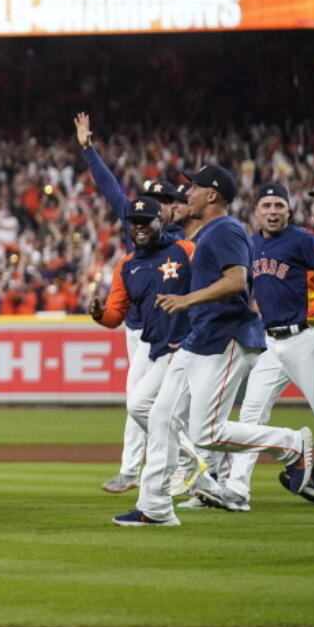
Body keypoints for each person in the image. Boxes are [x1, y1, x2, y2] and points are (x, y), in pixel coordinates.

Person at [113, 165, 313, 527]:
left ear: (212, 195)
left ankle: (291, 444)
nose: (186, 192)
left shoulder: (226, 229)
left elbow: (237, 281)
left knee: (207, 432)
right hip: (198, 339)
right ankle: (156, 508)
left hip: (227, 339)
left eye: (193, 187)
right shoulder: (205, 231)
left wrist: (187, 301)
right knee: (158, 416)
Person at [74, 113, 187, 494]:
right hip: (136, 327)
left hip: (175, 332)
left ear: (174, 207)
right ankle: (137, 468)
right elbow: (110, 189)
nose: (153, 206)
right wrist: (89, 151)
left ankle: (171, 464)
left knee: (150, 403)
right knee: (138, 401)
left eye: (163, 200)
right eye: (150, 199)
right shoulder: (136, 228)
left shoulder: (184, 243)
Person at [213, 183, 314, 511]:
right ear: (255, 211)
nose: (272, 211)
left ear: (288, 210)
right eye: (266, 205)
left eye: (278, 206)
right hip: (271, 342)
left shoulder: (303, 239)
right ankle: (237, 489)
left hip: (308, 336)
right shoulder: (251, 245)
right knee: (252, 414)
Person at [88, 196, 207, 498]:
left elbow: (211, 285)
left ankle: (188, 462)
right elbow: (117, 315)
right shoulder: (126, 266)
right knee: (149, 408)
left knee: (145, 406)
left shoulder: (185, 250)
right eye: (134, 222)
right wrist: (101, 314)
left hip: (188, 344)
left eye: (146, 221)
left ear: (160, 221)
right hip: (157, 348)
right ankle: (200, 474)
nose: (139, 227)